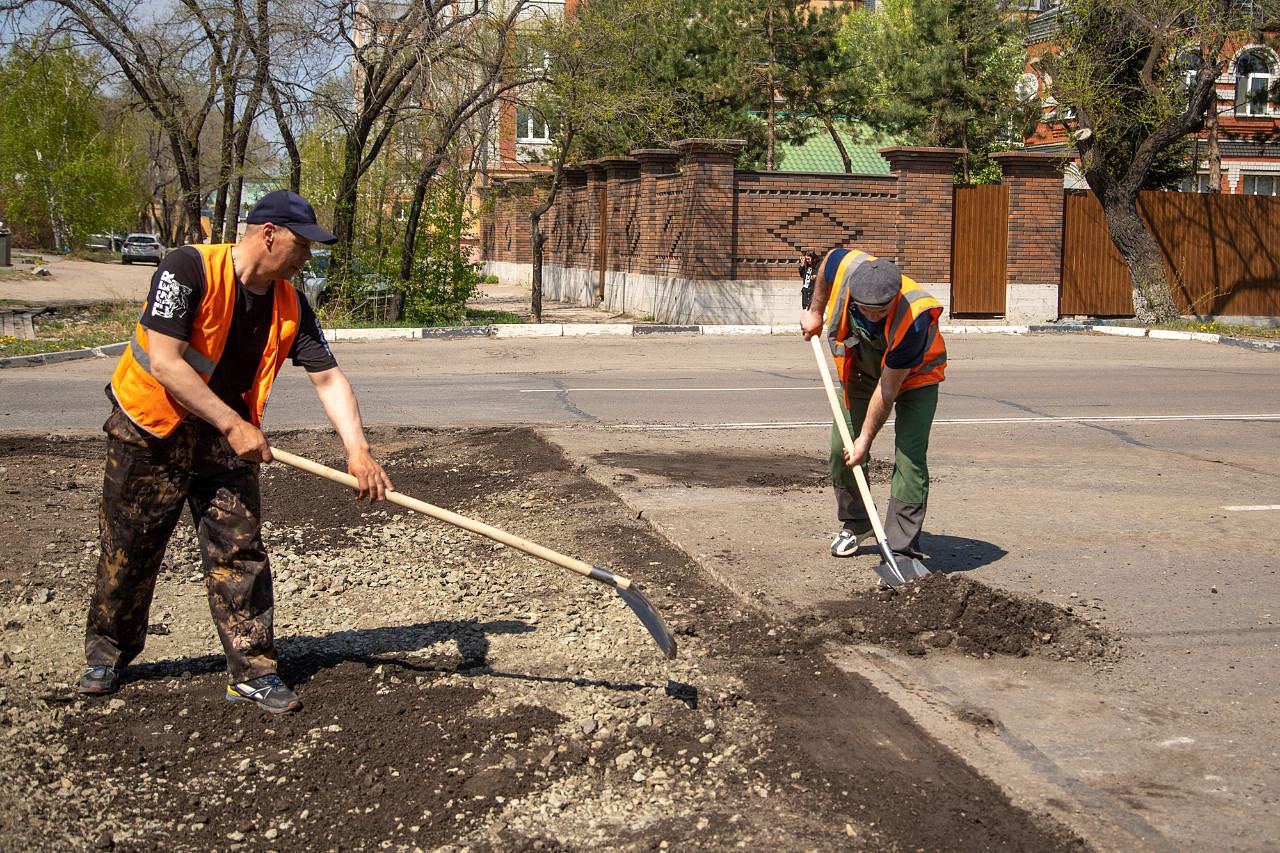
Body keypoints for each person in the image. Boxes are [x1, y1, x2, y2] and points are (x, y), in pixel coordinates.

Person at [77, 190, 393, 714]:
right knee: (129, 548)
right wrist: (233, 423)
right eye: (302, 245)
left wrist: (358, 451)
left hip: (225, 442)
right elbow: (166, 362)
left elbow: (329, 377)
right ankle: (107, 654)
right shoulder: (186, 269)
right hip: (150, 430)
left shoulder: (290, 301)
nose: (308, 257)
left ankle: (253, 670)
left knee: (239, 551)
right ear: (269, 234)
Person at [800, 248, 946, 565]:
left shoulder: (914, 319)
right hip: (863, 368)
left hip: (916, 376)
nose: (872, 316)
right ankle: (859, 522)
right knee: (842, 447)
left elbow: (889, 387)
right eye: (865, 309)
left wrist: (865, 440)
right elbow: (826, 267)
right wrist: (815, 311)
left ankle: (901, 547)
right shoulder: (846, 268)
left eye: (880, 311)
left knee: (909, 456)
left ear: (892, 299)